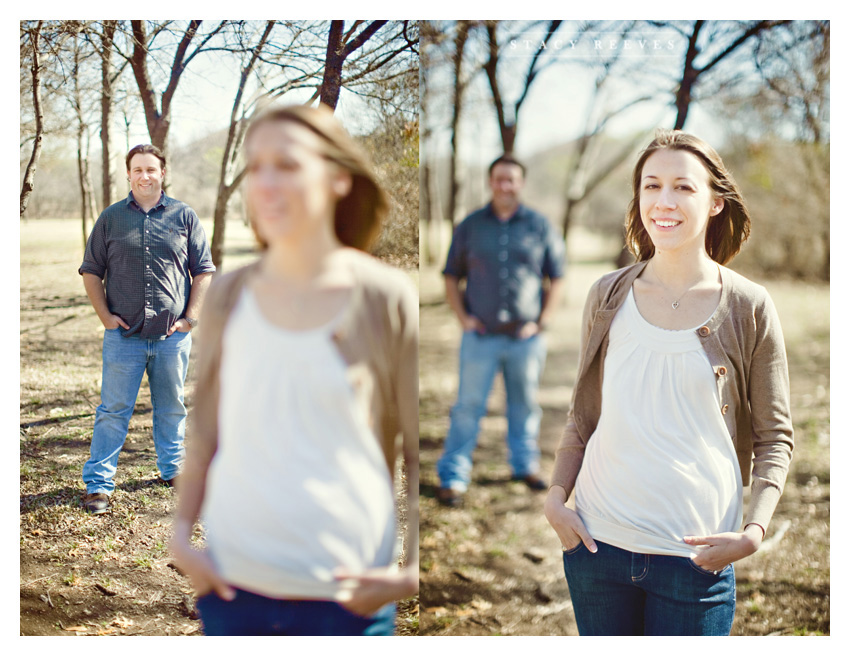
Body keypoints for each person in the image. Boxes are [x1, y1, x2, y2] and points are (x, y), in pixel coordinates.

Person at [169, 104, 419, 636]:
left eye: (286, 164)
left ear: (338, 179)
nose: (265, 182)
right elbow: (206, 431)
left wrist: (412, 571)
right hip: (234, 590)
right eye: (255, 166)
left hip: (347, 601)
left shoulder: (386, 297)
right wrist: (180, 538)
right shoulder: (229, 294)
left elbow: (421, 451)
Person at [544, 130, 794, 636]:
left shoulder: (748, 306)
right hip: (597, 550)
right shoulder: (606, 295)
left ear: (716, 202)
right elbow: (583, 416)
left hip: (694, 561)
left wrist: (753, 531)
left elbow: (775, 436)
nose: (664, 201)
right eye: (651, 186)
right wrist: (554, 499)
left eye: (683, 187)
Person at [79, 144, 215, 515]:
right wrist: (105, 317)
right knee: (113, 409)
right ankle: (99, 484)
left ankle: (174, 470)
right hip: (123, 338)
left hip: (172, 338)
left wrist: (191, 319)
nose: (144, 176)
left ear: (163, 173)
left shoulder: (184, 216)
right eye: (137, 169)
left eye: (151, 169)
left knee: (171, 407)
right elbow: (91, 271)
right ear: (128, 174)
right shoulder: (110, 218)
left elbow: (203, 270)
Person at [436, 155, 565, 507]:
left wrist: (542, 322)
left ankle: (525, 467)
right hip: (480, 337)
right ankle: (453, 476)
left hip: (525, 338)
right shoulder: (471, 226)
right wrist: (464, 318)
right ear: (490, 182)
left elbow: (557, 276)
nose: (504, 185)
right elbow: (450, 275)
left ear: (520, 183)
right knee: (468, 407)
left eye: (511, 179)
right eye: (498, 179)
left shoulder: (539, 226)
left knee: (524, 405)